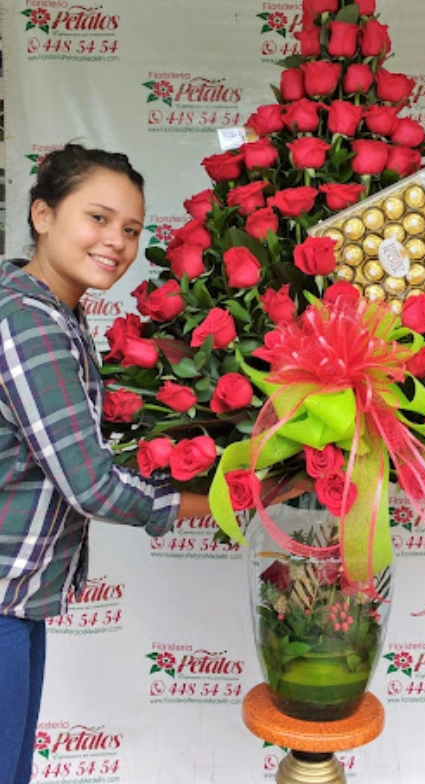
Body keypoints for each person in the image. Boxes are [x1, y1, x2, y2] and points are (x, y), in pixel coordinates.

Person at [0, 143, 210, 784]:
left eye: (131, 229)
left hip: (20, 601)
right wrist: (221, 499)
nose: (115, 241)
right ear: (43, 214)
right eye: (97, 218)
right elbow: (90, 484)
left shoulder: (59, 315)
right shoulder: (28, 322)